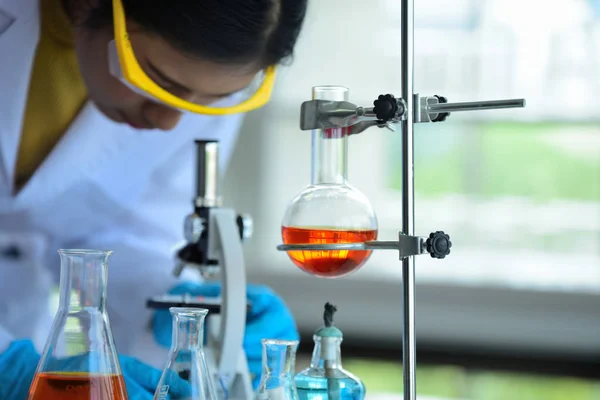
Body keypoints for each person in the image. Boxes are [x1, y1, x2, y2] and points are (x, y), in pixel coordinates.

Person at [0, 0, 308, 398]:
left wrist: (174, 302)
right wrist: (8, 367)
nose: (169, 120)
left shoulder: (209, 80)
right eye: (159, 79)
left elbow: (129, 228)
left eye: (208, 99)